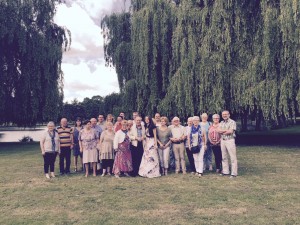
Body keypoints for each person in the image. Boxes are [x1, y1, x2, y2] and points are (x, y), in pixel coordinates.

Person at [218, 110, 238, 178]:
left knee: (232, 157)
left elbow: (231, 131)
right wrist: (226, 130)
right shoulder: (221, 122)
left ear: (229, 115)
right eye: (223, 114)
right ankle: (225, 171)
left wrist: (223, 131)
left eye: (226, 114)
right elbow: (218, 130)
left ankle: (234, 173)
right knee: (224, 157)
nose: (224, 115)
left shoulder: (232, 122)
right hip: (223, 140)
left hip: (230, 140)